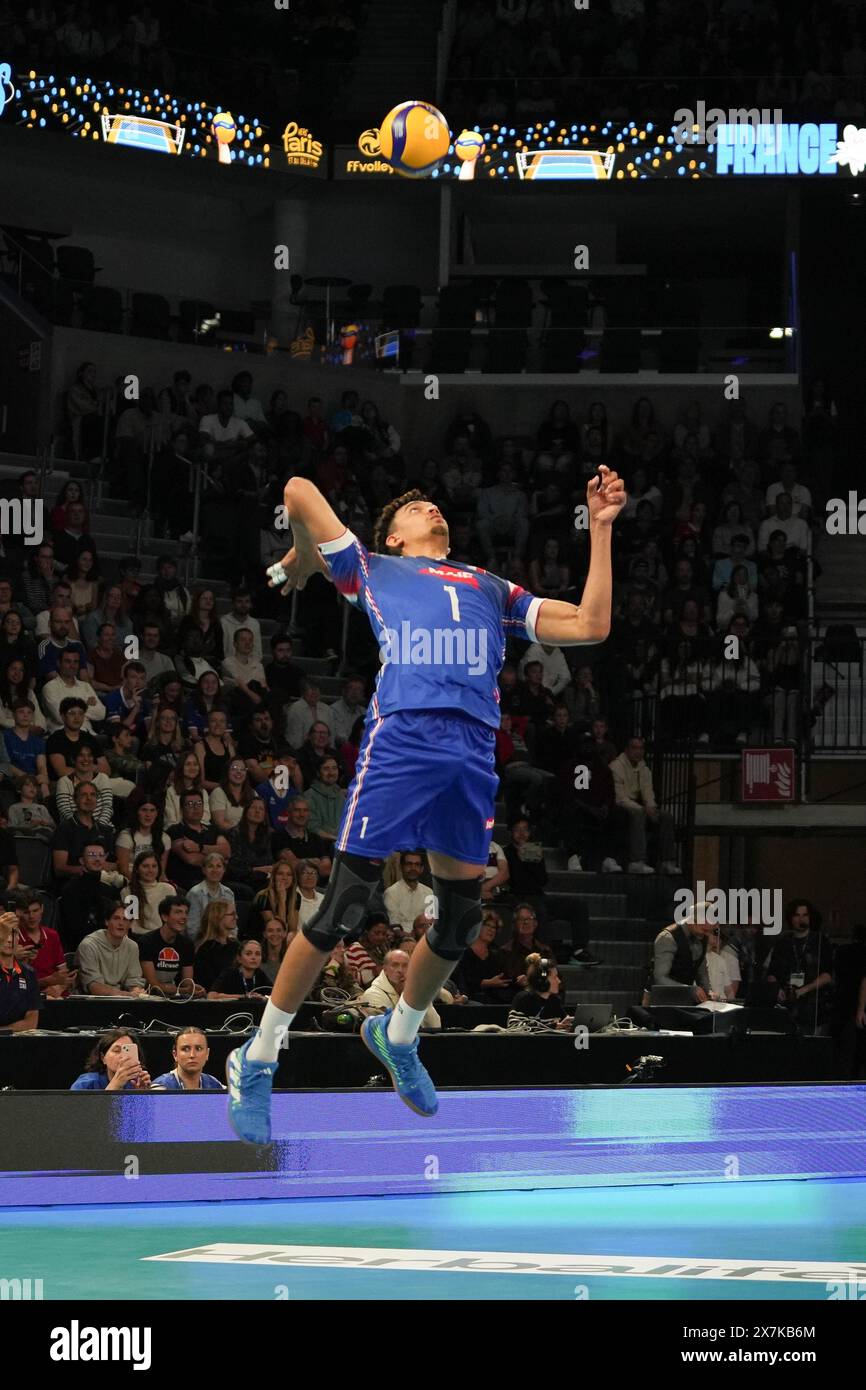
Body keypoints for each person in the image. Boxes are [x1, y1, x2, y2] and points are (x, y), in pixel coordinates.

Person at [228, 465, 624, 1142]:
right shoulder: (372, 568)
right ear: (394, 536)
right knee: (346, 904)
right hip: (404, 740)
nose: (430, 508)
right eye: (415, 508)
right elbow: (296, 488)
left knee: (463, 918)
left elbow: (590, 624)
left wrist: (604, 529)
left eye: (433, 504)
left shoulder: (490, 588)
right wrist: (302, 550)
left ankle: (399, 1033)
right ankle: (258, 1055)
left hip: (471, 753)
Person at [610, 736, 681, 875]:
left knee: (666, 817)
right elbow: (620, 797)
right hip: (620, 805)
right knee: (638, 813)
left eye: (641, 748)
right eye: (634, 748)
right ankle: (637, 861)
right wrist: (643, 809)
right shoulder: (616, 767)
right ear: (627, 750)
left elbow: (648, 792)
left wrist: (652, 807)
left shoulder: (644, 768)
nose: (638, 751)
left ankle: (667, 862)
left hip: (637, 805)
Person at [359, 949, 446, 1030]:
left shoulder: (415, 990)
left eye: (405, 966)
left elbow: (435, 1025)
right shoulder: (373, 995)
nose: (400, 970)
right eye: (395, 965)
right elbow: (393, 1030)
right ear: (385, 969)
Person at [75, 900, 148, 997]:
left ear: (130, 924)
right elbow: (94, 987)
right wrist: (127, 995)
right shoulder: (89, 945)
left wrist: (137, 991)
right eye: (116, 918)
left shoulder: (132, 946)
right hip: (90, 1001)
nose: (121, 923)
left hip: (121, 998)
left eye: (125, 919)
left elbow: (134, 980)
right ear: (106, 921)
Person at [138, 896, 204, 997]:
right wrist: (184, 990)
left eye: (186, 912)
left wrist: (194, 989)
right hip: (147, 996)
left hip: (173, 996)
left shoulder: (187, 944)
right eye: (178, 912)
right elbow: (153, 985)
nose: (184, 917)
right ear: (164, 917)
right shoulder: (147, 942)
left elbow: (187, 983)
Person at [165, 793, 229, 895]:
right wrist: (218, 858)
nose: (195, 807)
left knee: (243, 891)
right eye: (190, 804)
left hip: (217, 880)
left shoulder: (213, 830)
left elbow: (226, 851)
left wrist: (198, 847)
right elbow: (191, 859)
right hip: (188, 880)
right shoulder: (175, 831)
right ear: (181, 809)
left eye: (199, 803)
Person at [651, 906, 714, 1002]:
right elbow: (660, 979)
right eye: (704, 930)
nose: (707, 935)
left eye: (710, 931)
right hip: (663, 1002)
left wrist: (709, 992)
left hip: (685, 1001)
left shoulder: (702, 936)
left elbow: (701, 969)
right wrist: (689, 990)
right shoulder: (668, 938)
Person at [508, 954, 574, 1032]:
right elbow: (514, 1026)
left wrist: (568, 1024)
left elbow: (563, 1022)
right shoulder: (523, 998)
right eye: (555, 977)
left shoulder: (554, 1001)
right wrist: (550, 1027)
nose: (559, 981)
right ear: (542, 981)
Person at [70, 1029, 153, 1091]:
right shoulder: (86, 1084)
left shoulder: (136, 1083)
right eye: (116, 1051)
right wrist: (115, 1085)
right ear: (103, 1058)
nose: (122, 1057)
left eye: (127, 1051)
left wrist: (142, 1096)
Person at [0, 911, 41, 1032]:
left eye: (14, 934)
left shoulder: (29, 973)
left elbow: (32, 1021)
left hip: (17, 1042)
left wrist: (4, 1032)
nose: (9, 940)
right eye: (5, 934)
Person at [151, 1026, 224, 1091]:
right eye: (185, 1049)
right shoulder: (161, 1088)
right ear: (175, 1055)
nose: (192, 1055)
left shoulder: (214, 1084)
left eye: (198, 1048)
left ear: (207, 1054)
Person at [184, 852, 236, 943]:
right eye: (210, 866)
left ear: (224, 870)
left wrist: (230, 941)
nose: (215, 870)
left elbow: (233, 924)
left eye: (218, 866)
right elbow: (192, 928)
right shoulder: (195, 893)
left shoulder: (229, 893)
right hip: (202, 943)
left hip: (225, 942)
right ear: (204, 870)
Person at [125, 849, 176, 937]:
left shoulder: (168, 889)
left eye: (154, 866)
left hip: (163, 936)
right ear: (137, 869)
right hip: (138, 937)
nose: (150, 870)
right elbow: (131, 923)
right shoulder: (128, 891)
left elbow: (173, 919)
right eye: (145, 866)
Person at [194, 902, 240, 992]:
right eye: (232, 914)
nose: (236, 917)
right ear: (218, 918)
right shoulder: (205, 949)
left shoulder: (236, 945)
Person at [382, 851, 430, 935]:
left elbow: (431, 923)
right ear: (401, 867)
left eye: (417, 864)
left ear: (422, 869)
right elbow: (394, 927)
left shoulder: (429, 893)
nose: (413, 868)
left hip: (424, 938)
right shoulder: (391, 893)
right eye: (409, 864)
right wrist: (410, 938)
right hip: (400, 940)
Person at [345, 914, 392, 990]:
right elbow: (350, 979)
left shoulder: (382, 949)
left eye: (384, 934)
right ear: (367, 932)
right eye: (376, 933)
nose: (381, 937)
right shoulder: (355, 950)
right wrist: (373, 972)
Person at [7, 774, 56, 840]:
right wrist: (31, 825)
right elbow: (11, 827)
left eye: (34, 786)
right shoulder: (14, 808)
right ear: (19, 789)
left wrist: (45, 822)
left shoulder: (41, 807)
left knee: (49, 832)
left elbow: (53, 825)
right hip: (26, 833)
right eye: (27, 785)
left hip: (44, 831)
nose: (32, 787)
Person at [294, 858, 323, 929]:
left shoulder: (324, 898)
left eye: (314, 873)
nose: (310, 876)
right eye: (305, 873)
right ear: (297, 876)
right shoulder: (292, 898)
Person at [260, 919, 291, 983]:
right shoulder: (258, 960)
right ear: (264, 934)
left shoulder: (291, 960)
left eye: (279, 930)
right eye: (270, 930)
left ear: (285, 933)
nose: (275, 934)